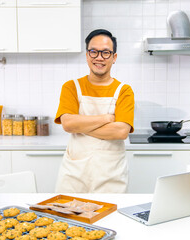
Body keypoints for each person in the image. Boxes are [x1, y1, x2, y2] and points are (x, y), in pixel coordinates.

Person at [54, 29, 135, 193]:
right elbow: (68, 124)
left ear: (114, 58)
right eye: (94, 52)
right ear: (87, 55)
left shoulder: (124, 91)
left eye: (106, 53)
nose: (99, 57)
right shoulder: (71, 87)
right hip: (74, 174)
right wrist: (106, 118)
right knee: (67, 217)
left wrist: (81, 124)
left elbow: (121, 131)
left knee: (109, 218)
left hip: (111, 174)